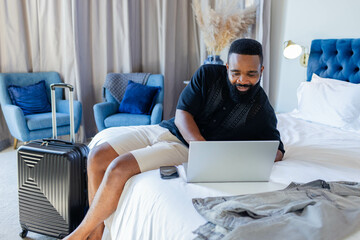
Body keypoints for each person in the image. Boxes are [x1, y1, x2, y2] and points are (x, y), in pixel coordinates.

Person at [64, 38, 284, 240]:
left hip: (182, 148)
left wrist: (243, 157)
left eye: (251, 74)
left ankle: (78, 236)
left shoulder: (261, 108)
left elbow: (277, 149)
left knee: (119, 167)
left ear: (261, 70)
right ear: (227, 67)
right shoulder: (207, 74)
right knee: (97, 155)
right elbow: (182, 114)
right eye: (235, 72)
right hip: (167, 129)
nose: (242, 80)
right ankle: (97, 234)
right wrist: (202, 147)